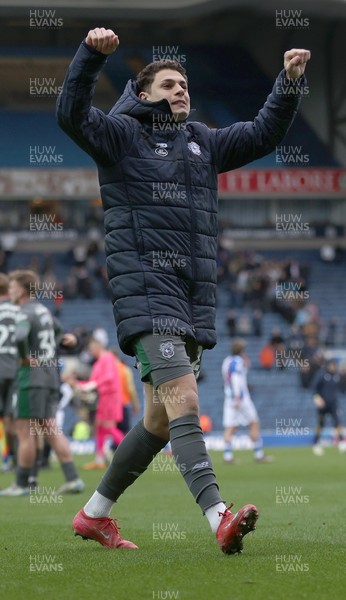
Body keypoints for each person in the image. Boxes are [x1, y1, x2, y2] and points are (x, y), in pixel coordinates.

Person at [57, 27, 310, 553]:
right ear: (144, 95)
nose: (181, 90)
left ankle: (94, 514)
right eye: (169, 84)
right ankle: (219, 515)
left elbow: (262, 134)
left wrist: (287, 84)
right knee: (184, 398)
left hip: (193, 298)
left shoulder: (204, 141)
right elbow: (71, 114)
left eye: (185, 85)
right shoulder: (120, 136)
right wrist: (89, 58)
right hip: (147, 293)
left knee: (156, 419)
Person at [0, 270, 84, 496]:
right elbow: (62, 336)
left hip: (31, 378)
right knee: (50, 427)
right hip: (49, 376)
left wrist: (25, 357)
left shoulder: (24, 312)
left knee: (25, 430)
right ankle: (73, 478)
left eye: (13, 287)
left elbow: (19, 337)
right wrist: (68, 340)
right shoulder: (43, 311)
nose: (10, 290)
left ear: (22, 289)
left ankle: (20, 484)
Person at [72, 337, 125, 470]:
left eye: (91, 349)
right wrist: (77, 385)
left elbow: (108, 378)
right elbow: (93, 382)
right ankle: (100, 459)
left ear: (98, 346)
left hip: (110, 397)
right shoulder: (99, 362)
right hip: (103, 398)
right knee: (100, 427)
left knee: (108, 426)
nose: (90, 352)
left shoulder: (107, 358)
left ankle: (132, 452)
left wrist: (92, 385)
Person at [222, 338, 273, 464]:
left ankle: (228, 455)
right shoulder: (238, 361)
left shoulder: (226, 361)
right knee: (254, 423)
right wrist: (238, 395)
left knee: (230, 426)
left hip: (229, 398)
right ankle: (258, 453)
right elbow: (235, 378)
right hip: (241, 398)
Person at [0, 273, 19, 471]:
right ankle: (11, 457)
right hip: (14, 370)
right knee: (12, 417)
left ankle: (7, 457)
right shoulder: (18, 310)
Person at [311, 359, 346, 455]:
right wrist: (317, 398)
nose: (333, 367)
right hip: (323, 404)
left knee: (337, 422)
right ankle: (316, 443)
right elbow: (314, 388)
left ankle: (342, 441)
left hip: (334, 404)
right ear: (328, 365)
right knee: (320, 424)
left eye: (334, 365)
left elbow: (342, 388)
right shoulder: (321, 375)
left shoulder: (337, 375)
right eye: (331, 365)